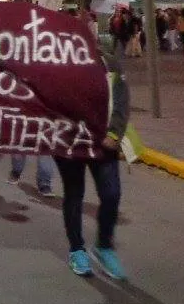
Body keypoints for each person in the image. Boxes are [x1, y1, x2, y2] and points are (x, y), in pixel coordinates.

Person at [54, 51, 130, 280]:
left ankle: (103, 246)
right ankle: (77, 249)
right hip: (70, 142)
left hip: (103, 143)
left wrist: (115, 133)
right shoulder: (56, 61)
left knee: (111, 194)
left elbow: (121, 100)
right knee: (74, 194)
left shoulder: (109, 62)